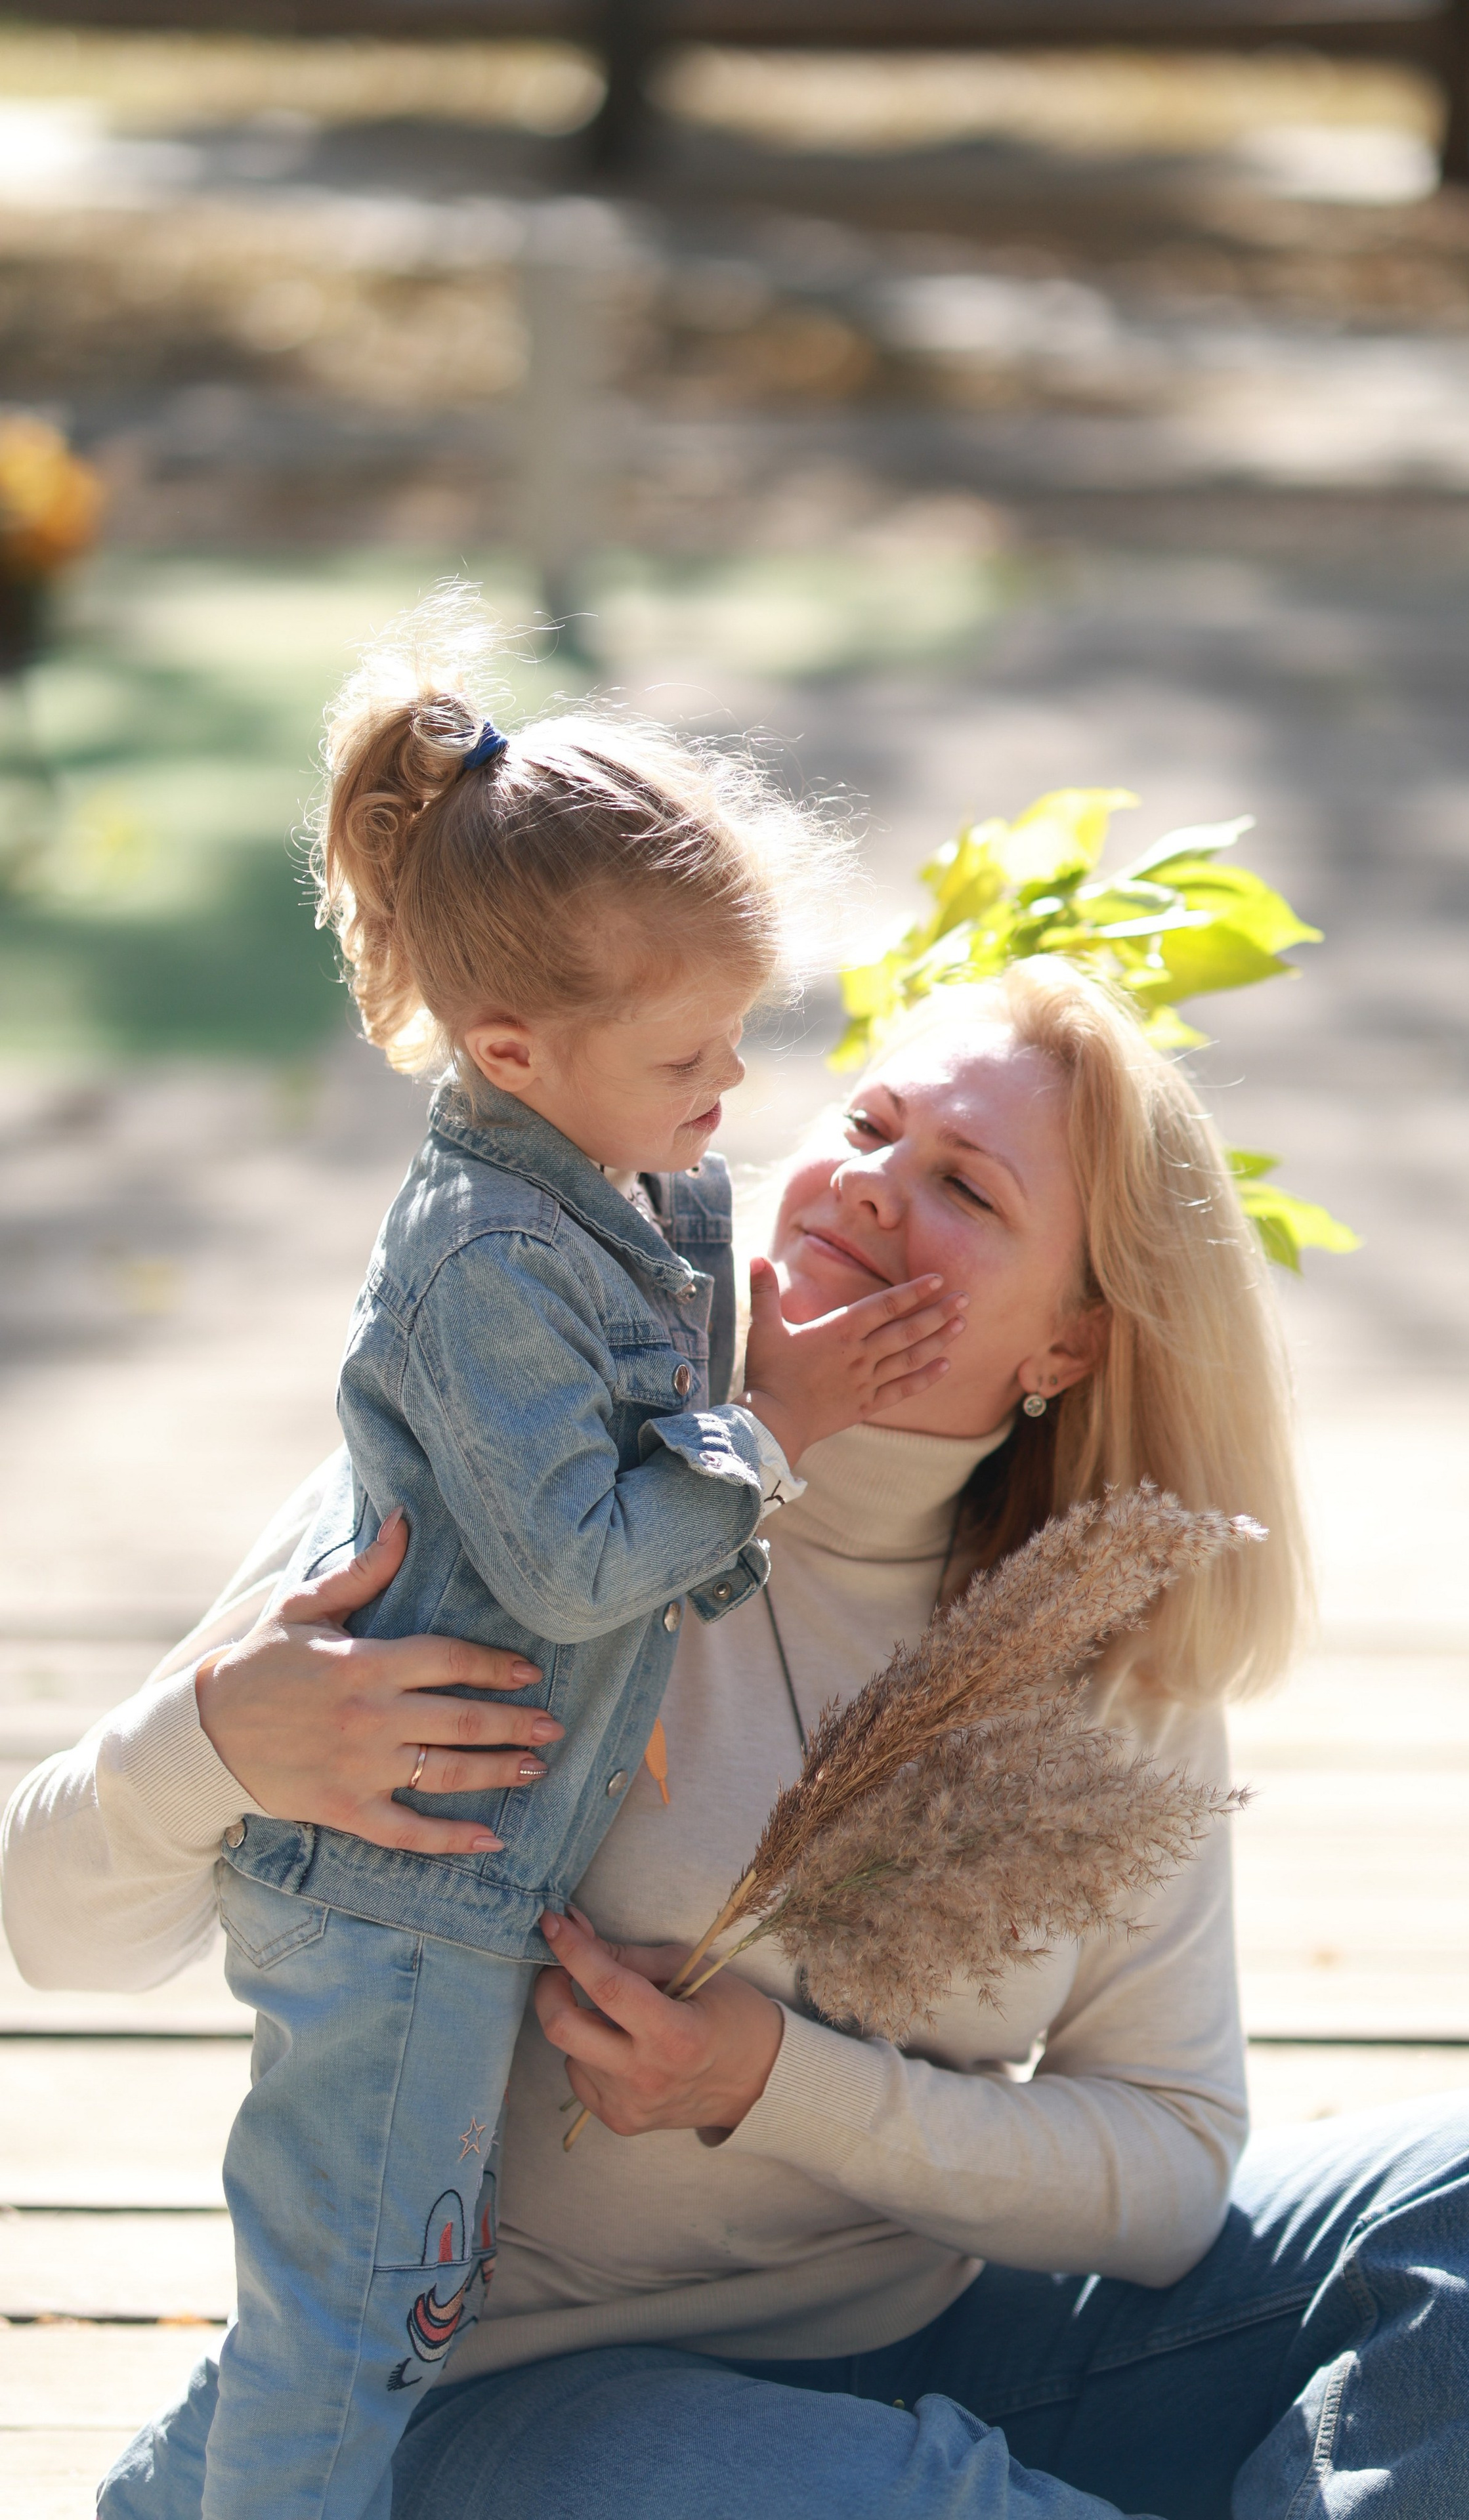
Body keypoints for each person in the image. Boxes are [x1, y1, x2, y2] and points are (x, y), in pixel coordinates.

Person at [6, 962, 1469, 2520]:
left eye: (967, 1187)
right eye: (868, 1125)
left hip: (958, 2351)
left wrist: (771, 2085)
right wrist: (214, 1738)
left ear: (1067, 1344)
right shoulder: (534, 1501)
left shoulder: (1085, 1627)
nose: (877, 1182)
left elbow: (1167, 2166)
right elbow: (55, 1926)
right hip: (500, 2414)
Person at [78, 597, 968, 2520]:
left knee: (377, 2308)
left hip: (468, 1881)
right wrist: (776, 1437)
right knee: (354, 2325)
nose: (730, 1088)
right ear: (509, 1046)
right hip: (399, 1897)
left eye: (739, 1038)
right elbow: (577, 1564)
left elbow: (668, 1324)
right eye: (690, 1058)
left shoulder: (609, 1185)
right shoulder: (484, 1258)